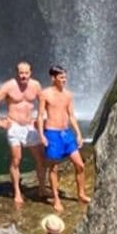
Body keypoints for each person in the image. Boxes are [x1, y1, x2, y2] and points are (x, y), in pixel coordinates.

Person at [0, 60, 48, 205]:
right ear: (17, 73)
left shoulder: (36, 85)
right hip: (14, 126)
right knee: (16, 160)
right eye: (21, 73)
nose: (23, 76)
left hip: (30, 125)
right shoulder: (9, 86)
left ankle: (42, 188)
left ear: (30, 73)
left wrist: (40, 117)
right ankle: (17, 192)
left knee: (40, 158)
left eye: (26, 73)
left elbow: (42, 100)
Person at [37, 65, 90, 212]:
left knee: (80, 165)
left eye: (65, 77)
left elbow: (71, 115)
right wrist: (41, 135)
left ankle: (81, 194)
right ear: (53, 78)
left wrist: (78, 133)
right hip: (52, 133)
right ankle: (56, 199)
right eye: (61, 77)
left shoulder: (68, 95)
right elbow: (40, 116)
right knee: (54, 168)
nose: (64, 80)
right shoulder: (45, 94)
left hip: (66, 133)